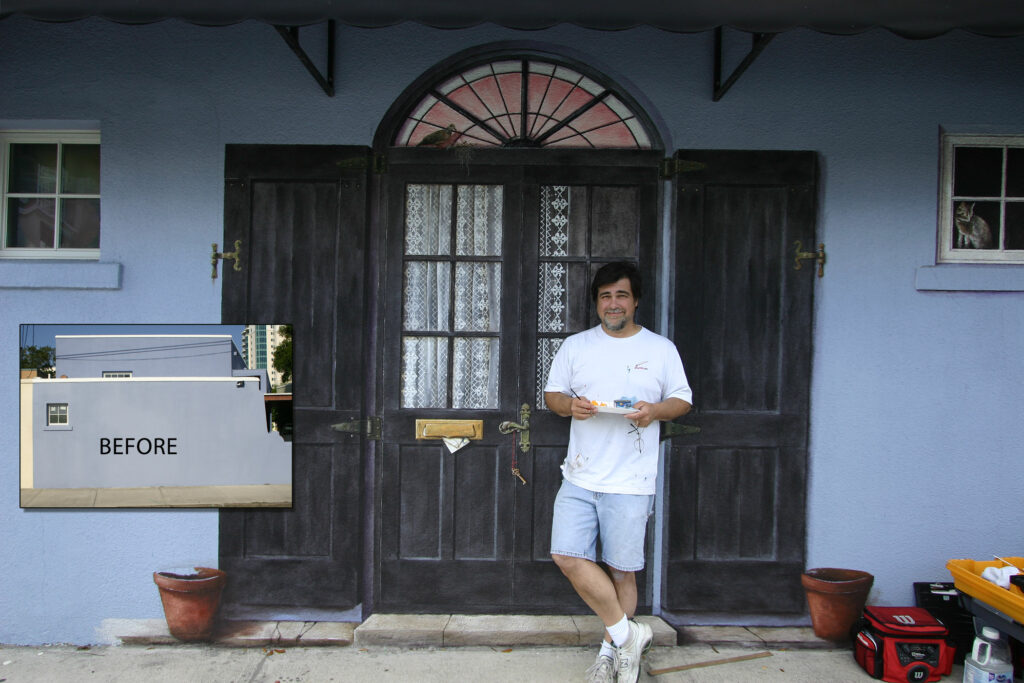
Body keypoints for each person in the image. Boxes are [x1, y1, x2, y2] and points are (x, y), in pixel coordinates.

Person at [544, 262, 692, 683]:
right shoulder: (576, 346)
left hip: (631, 479)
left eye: (621, 295)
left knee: (622, 569)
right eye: (605, 296)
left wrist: (655, 411)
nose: (613, 303)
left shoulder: (660, 349)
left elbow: (682, 399)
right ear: (597, 302)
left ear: (636, 300)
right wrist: (568, 406)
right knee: (566, 555)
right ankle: (629, 635)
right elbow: (553, 395)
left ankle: (616, 652)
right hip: (579, 474)